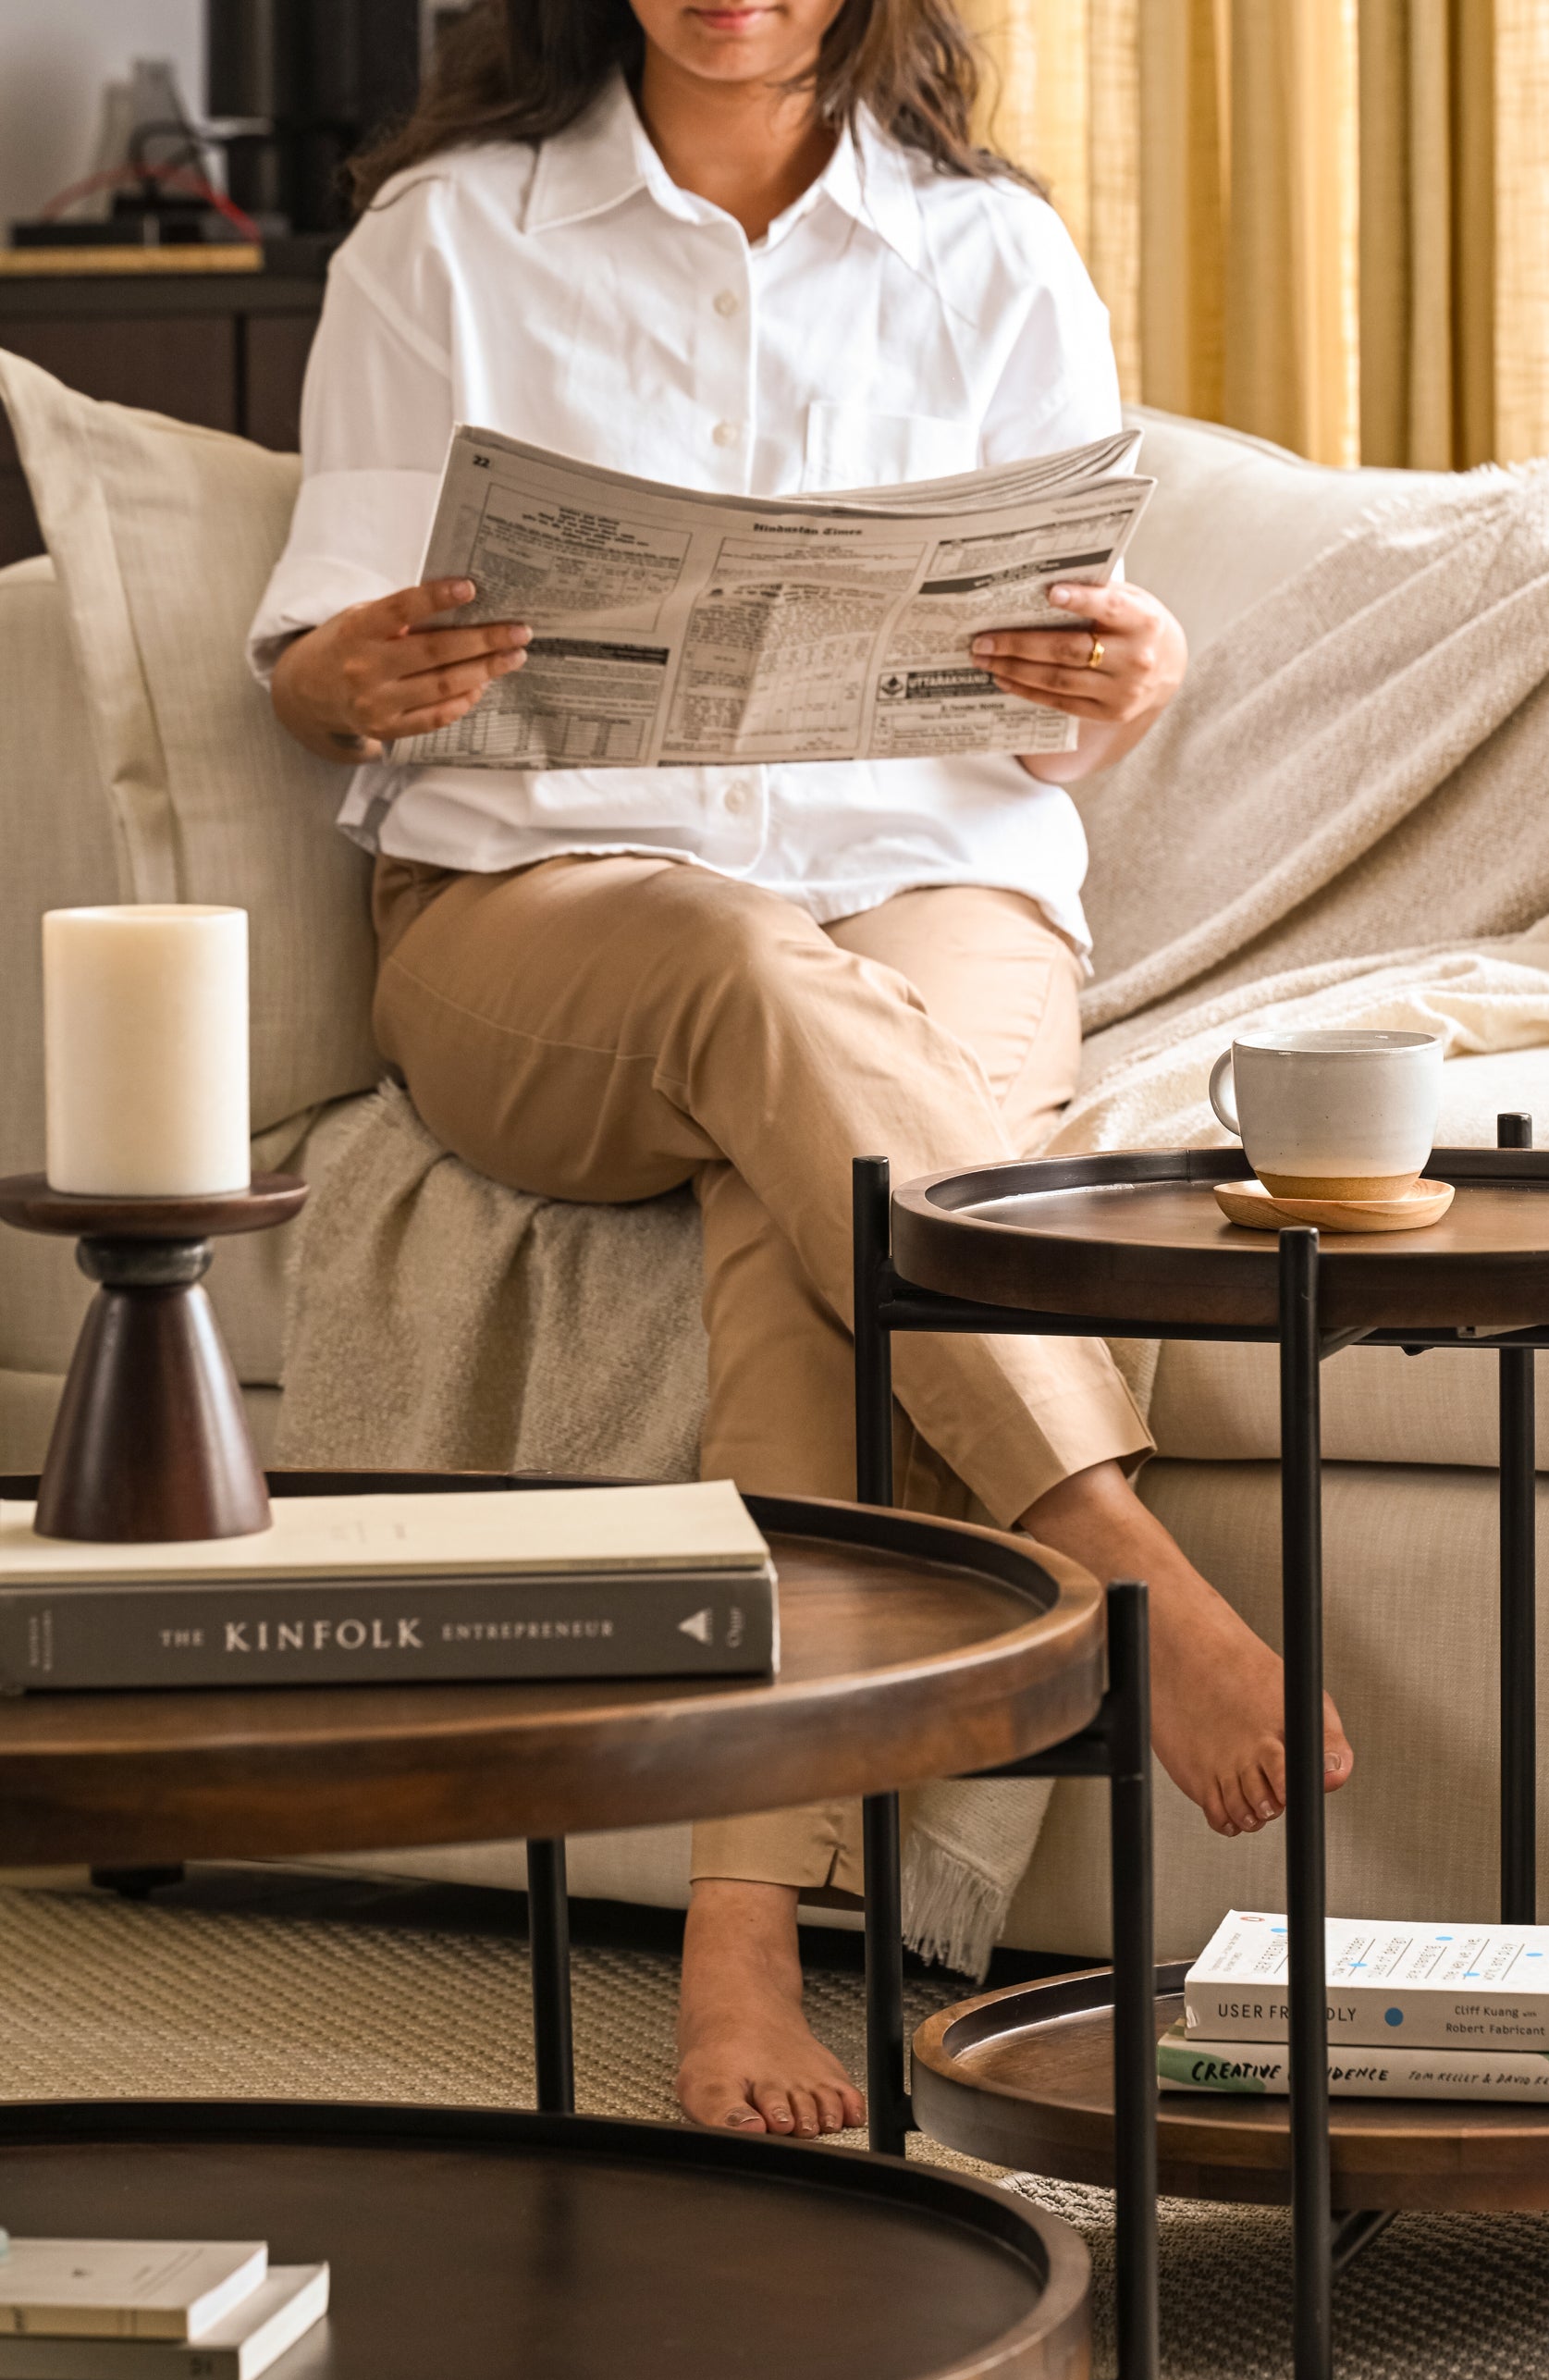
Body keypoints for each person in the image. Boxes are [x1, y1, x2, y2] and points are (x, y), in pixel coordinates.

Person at [252, 0, 1351, 2139]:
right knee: (747, 973)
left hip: (933, 888)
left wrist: (1129, 673)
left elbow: (1052, 696)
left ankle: (743, 1932)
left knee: (802, 1198)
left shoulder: (993, 253)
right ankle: (1123, 1555)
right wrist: (345, 673)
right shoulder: (447, 240)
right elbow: (316, 674)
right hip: (543, 926)